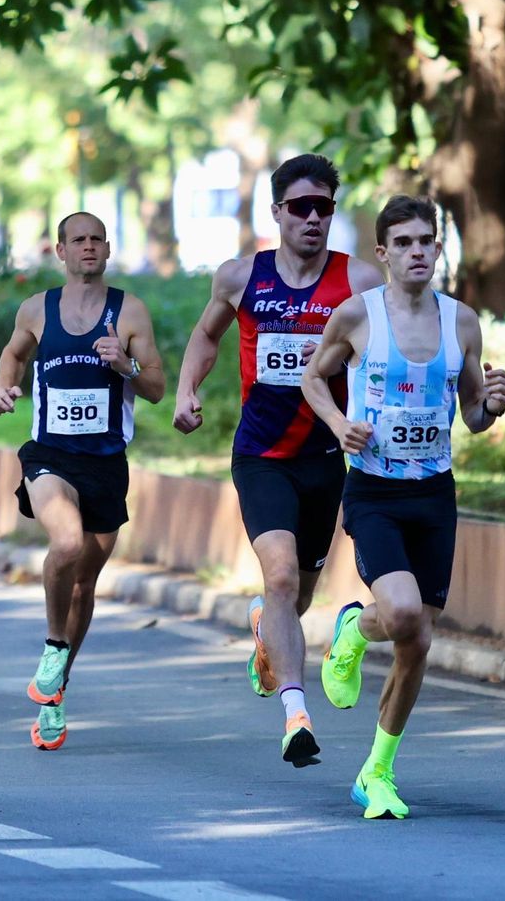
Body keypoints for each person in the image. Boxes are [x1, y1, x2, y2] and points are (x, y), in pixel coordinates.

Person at [300, 194, 505, 819]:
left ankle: (378, 771)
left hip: (434, 493)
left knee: (418, 640)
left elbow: (472, 415)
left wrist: (493, 404)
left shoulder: (462, 322)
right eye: (404, 243)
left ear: (438, 249)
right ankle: (353, 629)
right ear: (384, 253)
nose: (417, 251)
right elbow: (314, 377)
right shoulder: (356, 316)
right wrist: (340, 424)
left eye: (426, 241)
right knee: (399, 613)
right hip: (374, 490)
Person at [173, 153, 383, 767]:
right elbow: (208, 335)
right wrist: (189, 390)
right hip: (262, 455)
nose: (312, 219)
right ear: (278, 213)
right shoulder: (241, 277)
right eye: (300, 208)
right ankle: (296, 715)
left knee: (299, 595)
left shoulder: (360, 282)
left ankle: (269, 624)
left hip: (326, 455)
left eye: (324, 207)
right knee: (283, 576)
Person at [0, 212, 166, 751]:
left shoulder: (129, 310)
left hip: (107, 462)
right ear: (61, 252)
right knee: (65, 541)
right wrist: (4, 389)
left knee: (85, 583)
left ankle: (57, 686)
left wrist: (126, 367)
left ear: (107, 250)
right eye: (77, 240)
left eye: (96, 240)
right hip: (49, 454)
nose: (87, 248)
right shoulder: (36, 309)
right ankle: (51, 646)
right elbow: (14, 353)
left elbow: (157, 386)